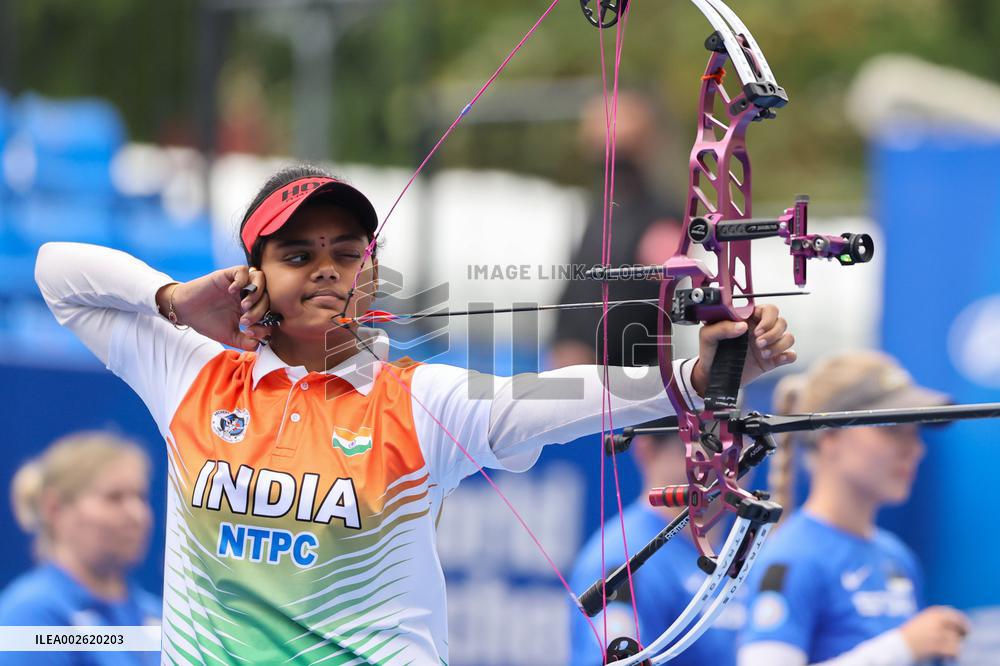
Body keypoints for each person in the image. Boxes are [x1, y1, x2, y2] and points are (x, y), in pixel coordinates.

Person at [34, 163, 795, 664]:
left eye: (347, 251)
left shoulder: (419, 401)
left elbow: (564, 398)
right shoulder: (193, 371)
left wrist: (700, 375)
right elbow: (56, 272)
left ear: (371, 266)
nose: (326, 267)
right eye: (297, 254)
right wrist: (174, 299)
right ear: (251, 274)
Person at [738, 351, 970, 666]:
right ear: (830, 435)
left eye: (914, 431)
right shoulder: (791, 558)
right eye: (891, 429)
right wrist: (903, 648)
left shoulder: (897, 557)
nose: (915, 449)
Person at [568, 426, 746, 665]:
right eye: (707, 444)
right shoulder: (621, 558)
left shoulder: (743, 550)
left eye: (734, 441)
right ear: (648, 449)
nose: (726, 459)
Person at [0, 431, 161, 665]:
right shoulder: (30, 613)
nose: (137, 515)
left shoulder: (157, 613)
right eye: (114, 498)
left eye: (141, 497)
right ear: (53, 508)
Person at [551, 91, 683, 368]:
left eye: (608, 120)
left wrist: (587, 350)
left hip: (627, 378)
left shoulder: (661, 214)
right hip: (582, 370)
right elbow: (579, 285)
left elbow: (648, 299)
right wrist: (564, 343)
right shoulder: (601, 206)